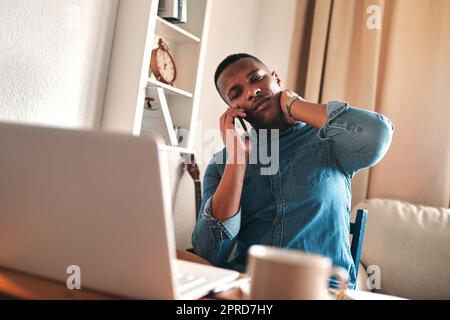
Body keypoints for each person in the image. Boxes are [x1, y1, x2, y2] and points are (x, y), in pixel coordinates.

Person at [191, 53, 394, 289]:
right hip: (250, 288)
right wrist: (237, 159)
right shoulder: (221, 164)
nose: (251, 91)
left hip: (321, 289)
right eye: (236, 93)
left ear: (276, 78)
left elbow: (376, 135)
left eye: (256, 78)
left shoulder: (330, 141)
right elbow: (208, 252)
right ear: (232, 109)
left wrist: (293, 105)